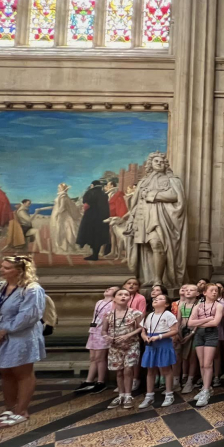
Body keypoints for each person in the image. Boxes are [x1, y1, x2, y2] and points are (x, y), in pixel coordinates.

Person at [125, 152, 187, 287]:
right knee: (146, 249)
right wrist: (131, 220)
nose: (159, 163)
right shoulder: (143, 182)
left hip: (160, 218)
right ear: (150, 164)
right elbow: (135, 204)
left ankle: (158, 280)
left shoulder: (172, 180)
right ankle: (149, 277)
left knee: (157, 244)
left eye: (162, 162)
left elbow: (175, 196)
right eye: (156, 161)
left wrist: (152, 195)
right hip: (142, 219)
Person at [0, 256, 46, 428]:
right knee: (5, 370)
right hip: (1, 333)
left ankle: (21, 411)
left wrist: (5, 330)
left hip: (22, 334)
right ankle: (10, 408)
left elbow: (29, 316)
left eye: (7, 268)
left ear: (19, 270)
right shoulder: (1, 286)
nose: (2, 270)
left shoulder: (32, 289)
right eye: (2, 267)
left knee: (22, 372)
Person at [102, 289, 143, 410]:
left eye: (126, 295)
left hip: (131, 344)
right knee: (119, 371)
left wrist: (128, 335)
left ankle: (128, 395)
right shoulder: (109, 314)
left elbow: (141, 328)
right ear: (114, 298)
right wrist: (107, 337)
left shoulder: (135, 313)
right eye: (120, 294)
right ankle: (121, 395)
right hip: (115, 346)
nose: (123, 296)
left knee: (128, 369)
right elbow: (104, 330)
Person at [138, 294, 179, 409]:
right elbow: (143, 331)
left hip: (163, 343)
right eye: (155, 298)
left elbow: (175, 330)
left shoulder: (168, 315)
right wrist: (144, 337)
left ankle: (169, 394)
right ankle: (149, 395)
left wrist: (160, 336)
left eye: (160, 299)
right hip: (151, 343)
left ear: (166, 304)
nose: (156, 299)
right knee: (150, 370)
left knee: (166, 369)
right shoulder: (149, 315)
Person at [188, 284, 224, 407]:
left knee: (207, 364)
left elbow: (215, 322)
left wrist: (200, 322)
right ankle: (206, 387)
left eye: (216, 291)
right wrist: (206, 319)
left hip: (211, 335)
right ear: (204, 292)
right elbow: (190, 323)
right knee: (201, 363)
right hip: (199, 334)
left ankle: (205, 390)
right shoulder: (198, 306)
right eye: (212, 290)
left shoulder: (219, 305)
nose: (214, 292)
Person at [75, 286, 117, 394]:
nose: (108, 289)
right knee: (93, 357)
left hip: (103, 332)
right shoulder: (99, 302)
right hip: (94, 331)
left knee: (100, 358)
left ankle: (101, 381)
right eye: (108, 288)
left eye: (112, 289)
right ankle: (89, 381)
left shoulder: (114, 303)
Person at [76, 180, 111, 261]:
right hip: (102, 218)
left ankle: (92, 254)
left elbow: (86, 205)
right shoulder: (104, 194)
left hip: (91, 217)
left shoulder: (90, 192)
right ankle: (95, 255)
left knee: (90, 235)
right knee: (98, 237)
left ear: (92, 185)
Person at [177, 284, 200, 395]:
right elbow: (178, 320)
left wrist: (192, 333)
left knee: (192, 357)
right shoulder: (181, 304)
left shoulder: (199, 304)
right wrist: (178, 333)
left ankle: (190, 380)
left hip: (194, 332)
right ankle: (183, 377)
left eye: (192, 290)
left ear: (197, 293)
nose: (188, 291)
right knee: (183, 356)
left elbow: (199, 320)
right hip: (183, 331)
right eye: (186, 290)